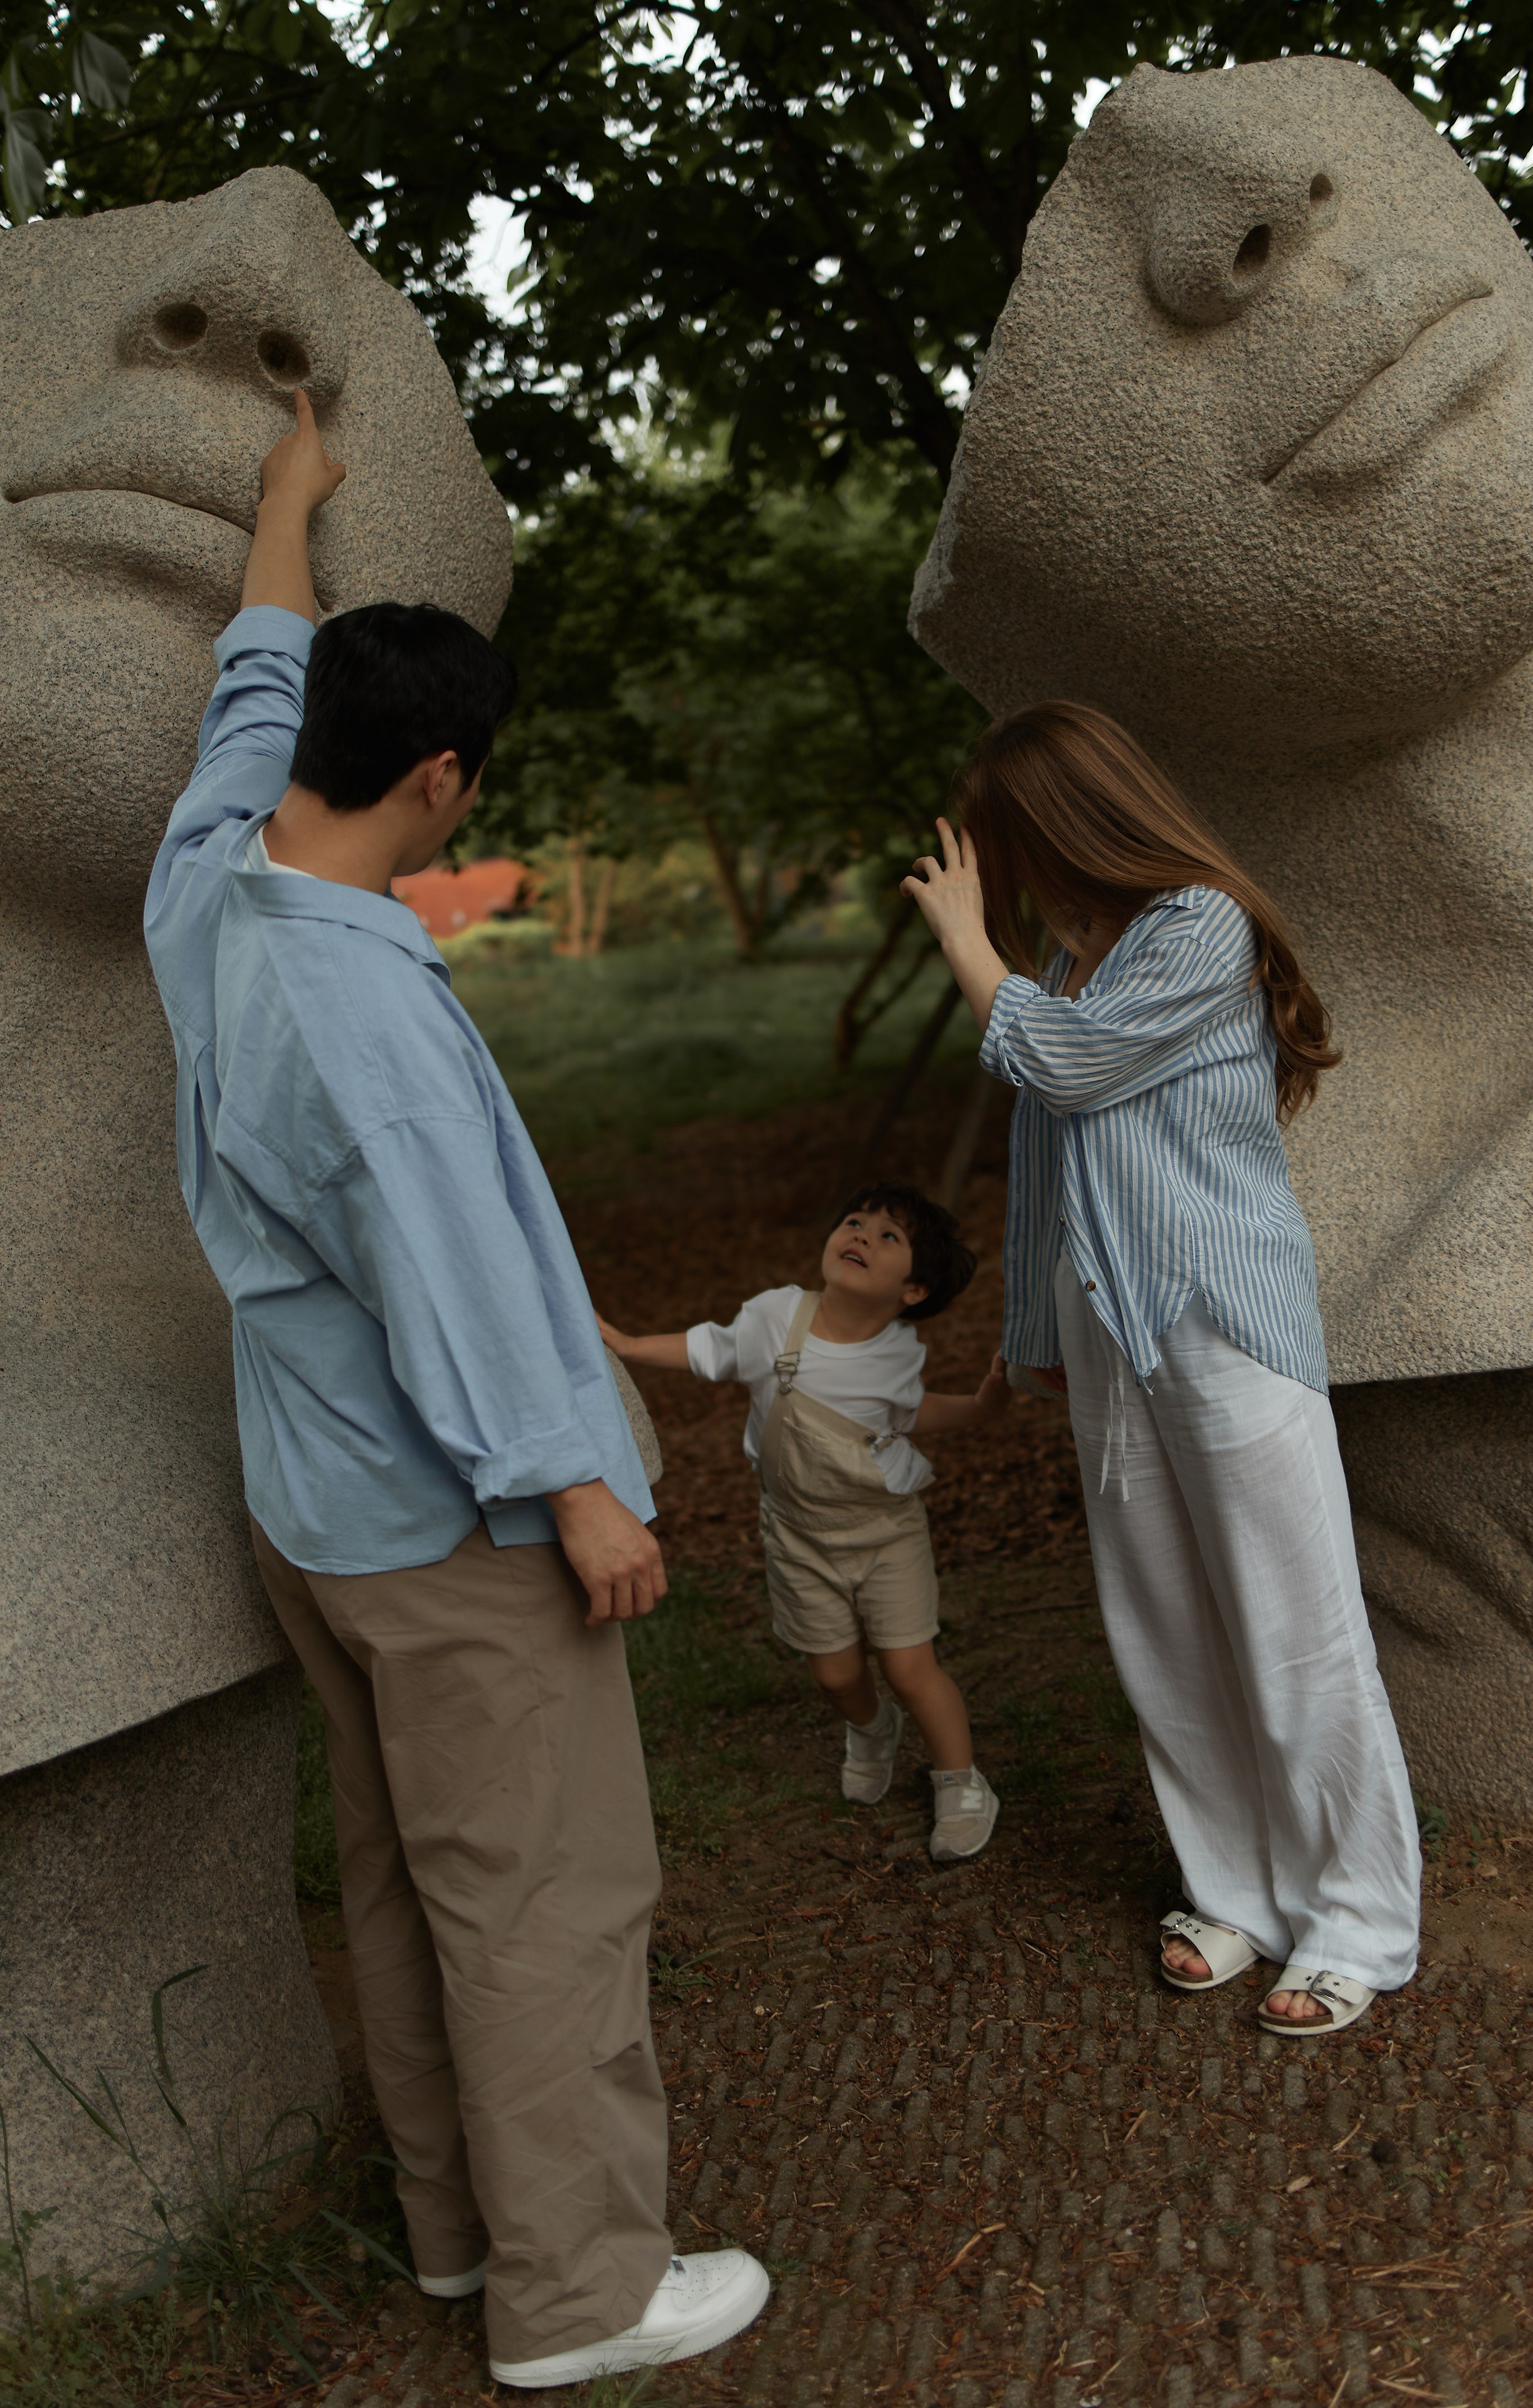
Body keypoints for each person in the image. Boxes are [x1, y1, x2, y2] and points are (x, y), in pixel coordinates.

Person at [142, 392, 769, 2388]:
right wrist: (579, 1488)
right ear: (433, 776)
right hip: (445, 1521)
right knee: (548, 1895)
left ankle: (450, 2228)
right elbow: (453, 1278)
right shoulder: (361, 1010)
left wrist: (282, 514)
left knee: (411, 1873)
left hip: (305, 1506)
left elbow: (255, 682)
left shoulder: (207, 880)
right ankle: (578, 2289)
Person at [901, 700, 1421, 2036]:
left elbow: (1061, 1075)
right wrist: (1030, 1340)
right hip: (1105, 1337)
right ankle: (1234, 1893)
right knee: (1162, 1627)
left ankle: (1354, 1921)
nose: (998, 875)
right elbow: (1043, 1171)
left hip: (1222, 1323)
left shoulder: (1197, 925)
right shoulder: (1075, 967)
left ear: (1064, 825)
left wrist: (966, 943)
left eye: (1008, 844)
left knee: (1292, 1626)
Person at [599, 1183, 1009, 1861]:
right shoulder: (775, 1316)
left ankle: (962, 1783)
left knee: (909, 1667)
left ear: (912, 1290)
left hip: (883, 1533)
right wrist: (628, 1344)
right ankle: (873, 1731)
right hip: (796, 1534)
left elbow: (907, 1415)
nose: (861, 1236)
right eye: (855, 1222)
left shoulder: (896, 1355)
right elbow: (713, 1351)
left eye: (888, 1237)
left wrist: (979, 1408)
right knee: (834, 1676)